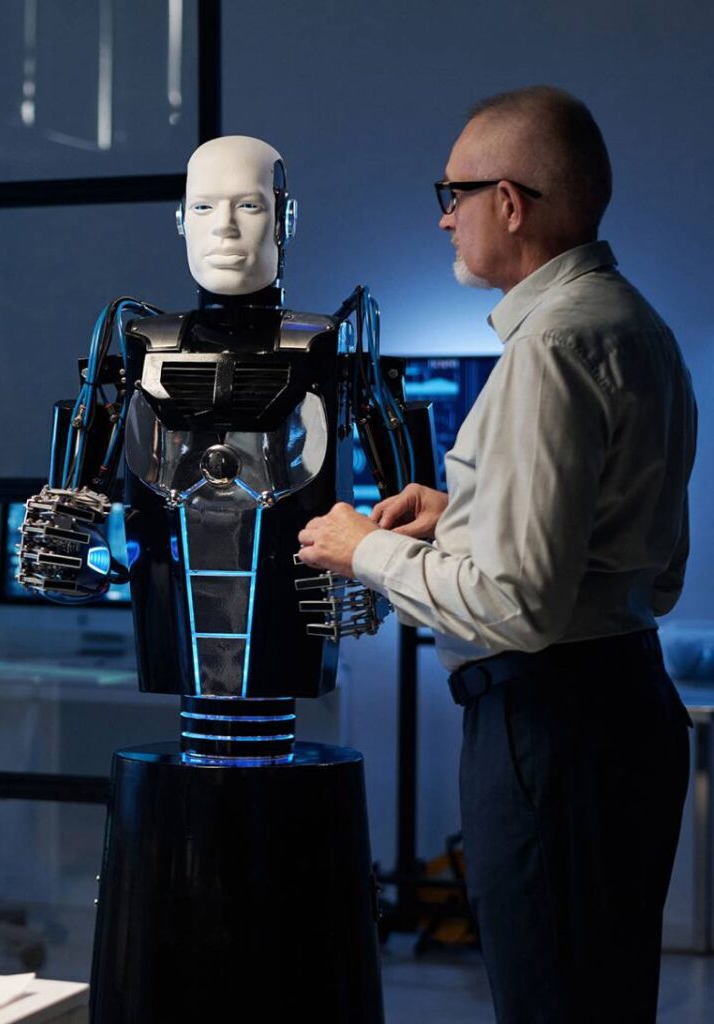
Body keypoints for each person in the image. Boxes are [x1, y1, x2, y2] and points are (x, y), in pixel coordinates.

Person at [296, 85, 697, 1023]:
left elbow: (519, 605)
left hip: (549, 734)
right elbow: (648, 565)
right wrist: (465, 513)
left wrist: (364, 550)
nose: (445, 217)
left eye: (455, 193)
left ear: (509, 204)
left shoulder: (549, 349)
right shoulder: (637, 327)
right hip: (626, 711)